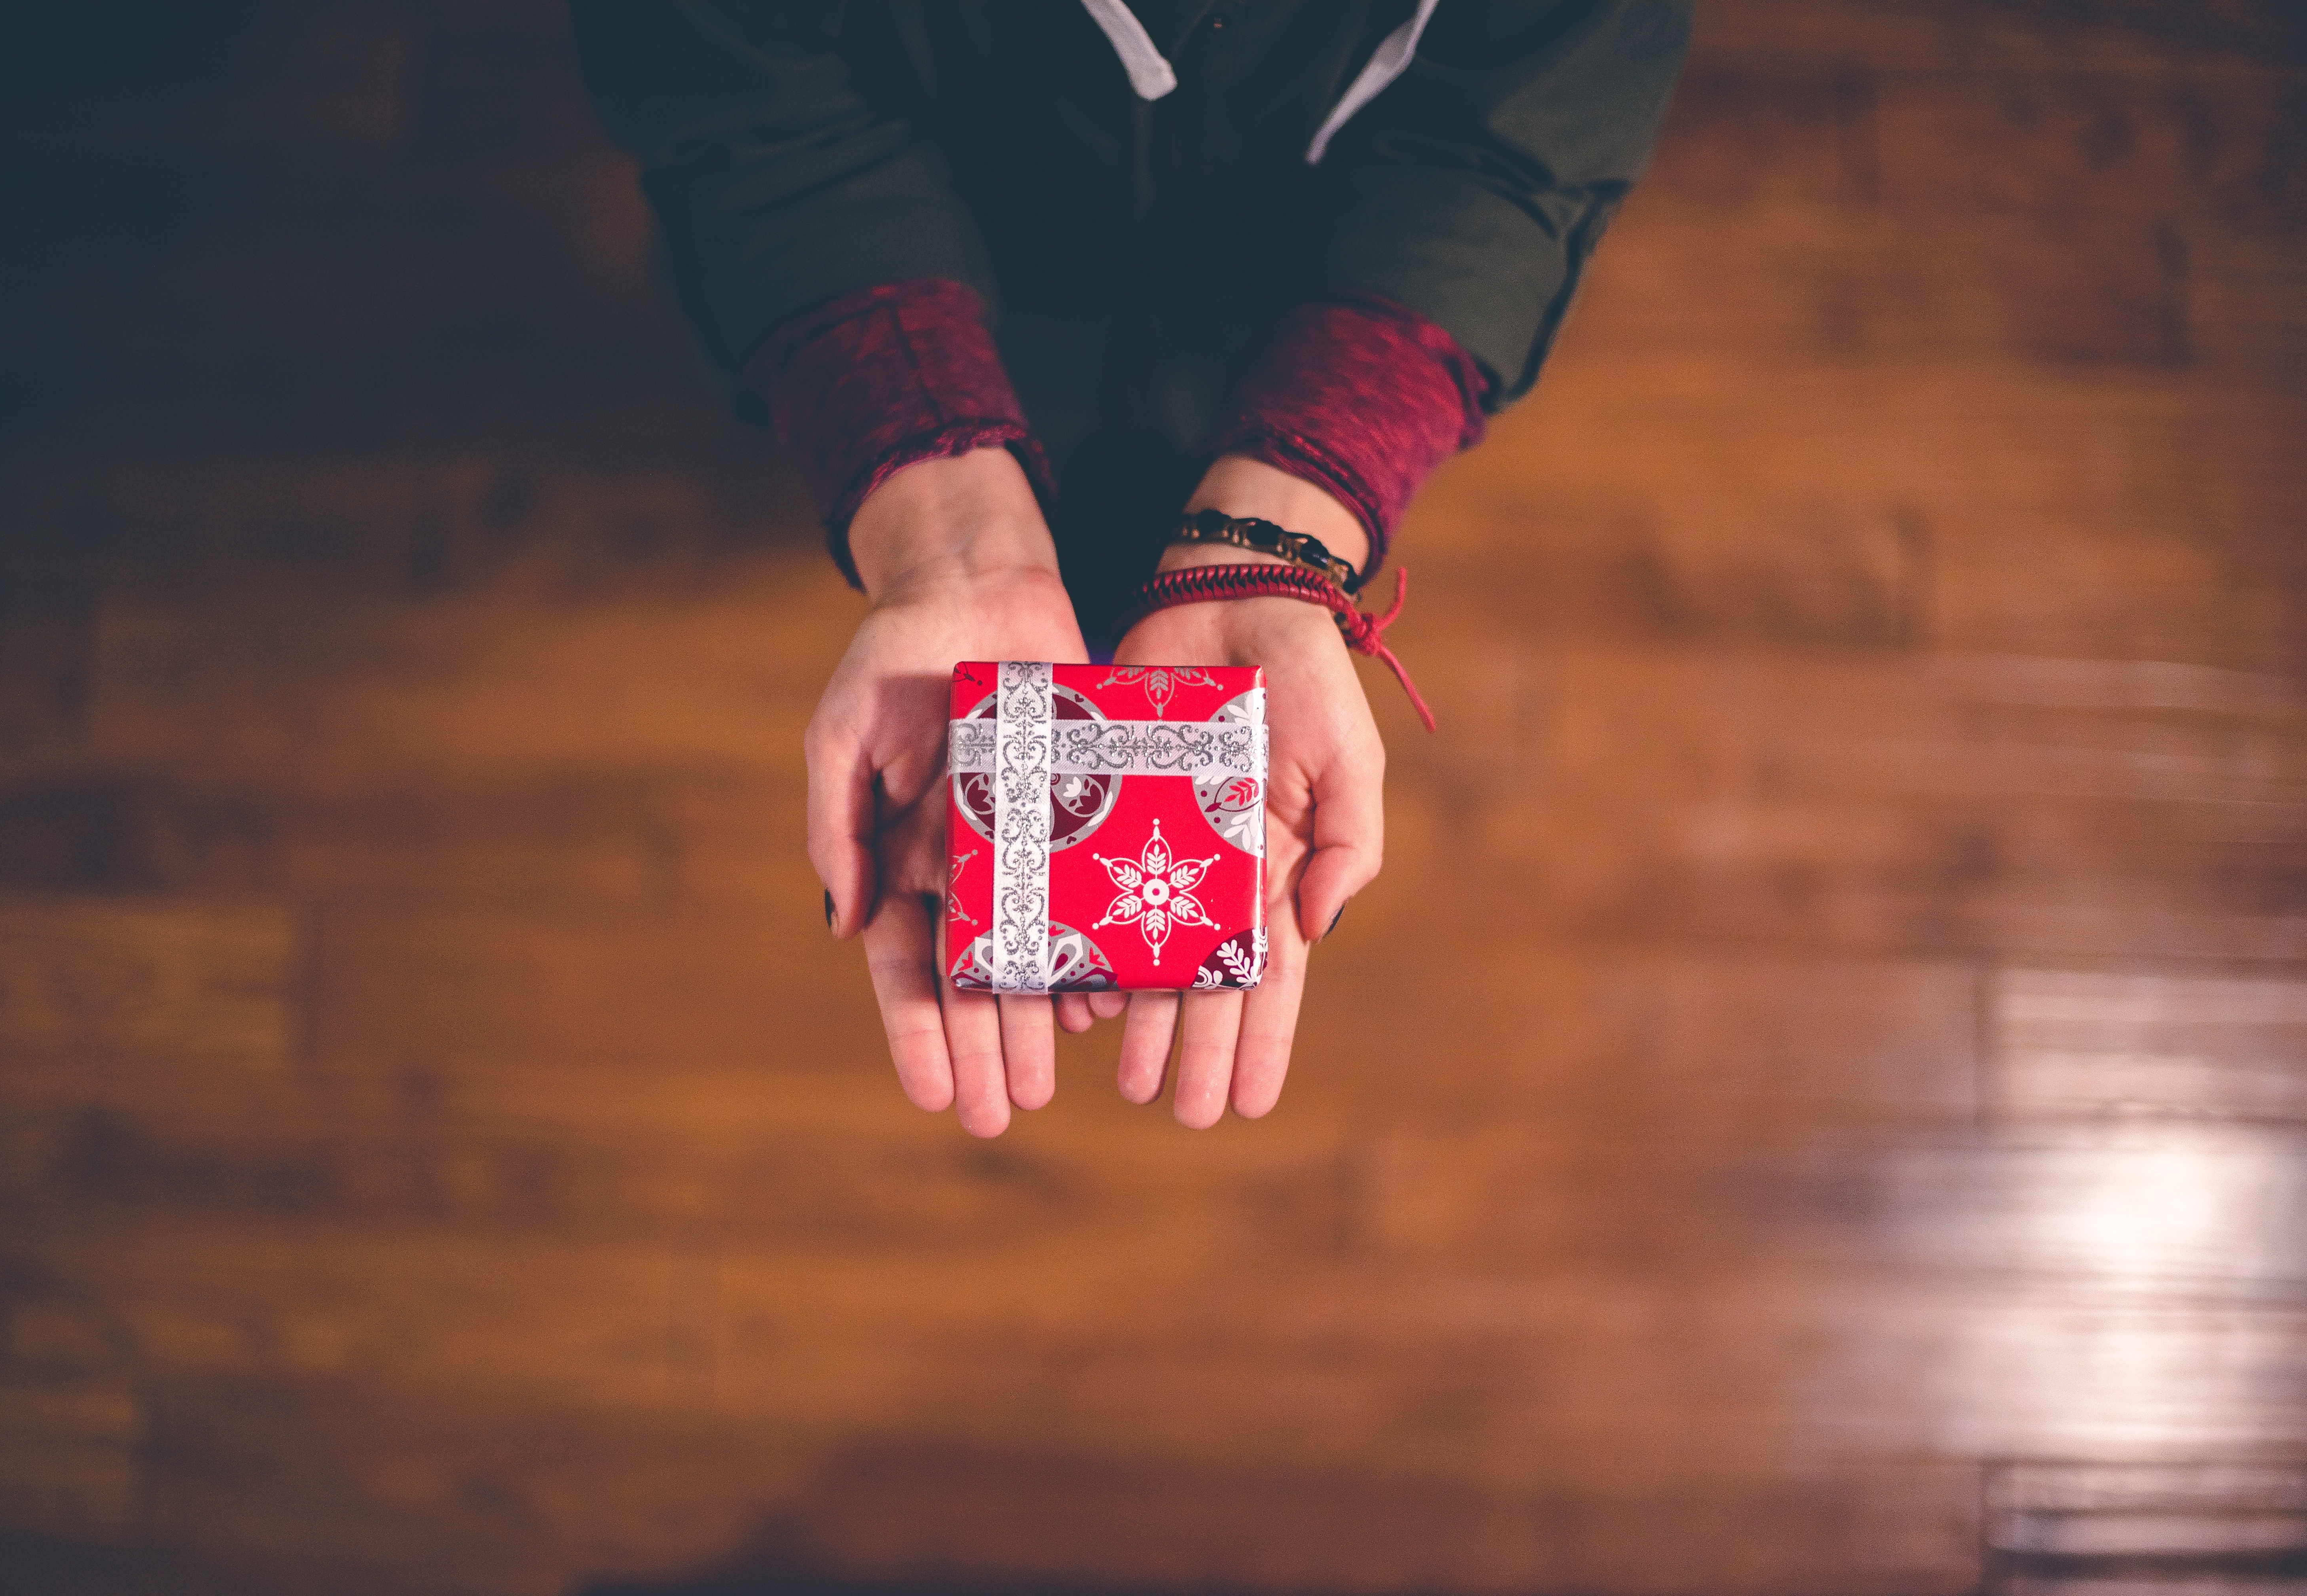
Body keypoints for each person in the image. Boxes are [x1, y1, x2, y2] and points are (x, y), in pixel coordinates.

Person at [571, 0, 1689, 1135]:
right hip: (912, 268)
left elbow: (1523, 136)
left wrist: (1294, 502)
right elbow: (736, 97)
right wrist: (934, 509)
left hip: (1286, 308)